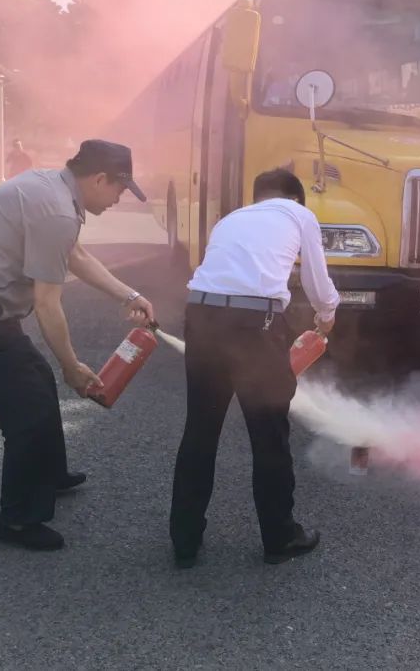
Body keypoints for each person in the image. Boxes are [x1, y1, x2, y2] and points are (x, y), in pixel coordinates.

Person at [0, 140, 156, 551]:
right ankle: (17, 521)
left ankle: (49, 474)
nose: (119, 198)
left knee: (37, 380)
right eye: (120, 189)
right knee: (27, 413)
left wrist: (129, 295)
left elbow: (76, 255)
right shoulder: (57, 210)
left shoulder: (55, 189)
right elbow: (47, 304)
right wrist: (72, 366)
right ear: (99, 179)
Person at [170, 167, 340, 568]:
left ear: (258, 196)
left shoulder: (231, 219)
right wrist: (327, 316)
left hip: (201, 313)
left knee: (201, 429)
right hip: (255, 325)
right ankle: (280, 537)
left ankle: (184, 539)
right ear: (295, 198)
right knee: (268, 433)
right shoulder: (299, 214)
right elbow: (317, 282)